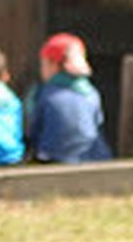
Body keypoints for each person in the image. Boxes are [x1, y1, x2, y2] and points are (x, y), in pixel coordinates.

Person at [25, 33, 112, 164]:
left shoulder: (45, 94)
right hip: (95, 160)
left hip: (56, 161)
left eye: (43, 63)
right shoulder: (92, 94)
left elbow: (33, 131)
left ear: (54, 65)